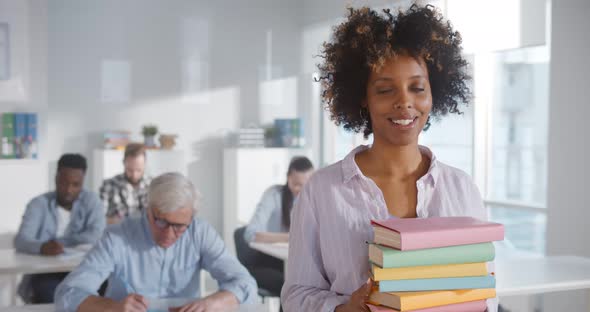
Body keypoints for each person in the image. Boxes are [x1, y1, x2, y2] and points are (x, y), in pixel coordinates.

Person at [281, 4, 498, 312]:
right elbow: (296, 297)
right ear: (362, 98)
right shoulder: (322, 191)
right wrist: (345, 310)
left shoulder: (461, 188)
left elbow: (486, 288)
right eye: (385, 90)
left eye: (417, 88)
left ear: (434, 94)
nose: (404, 103)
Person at [55, 172, 257, 312]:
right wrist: (112, 307)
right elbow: (68, 293)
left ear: (191, 217)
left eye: (179, 226)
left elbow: (246, 284)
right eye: (161, 221)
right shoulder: (117, 237)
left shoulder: (199, 232)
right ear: (148, 210)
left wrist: (214, 302)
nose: (169, 234)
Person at [14, 154, 105, 303]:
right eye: (63, 183)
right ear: (55, 179)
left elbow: (96, 234)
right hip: (45, 272)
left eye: (75, 184)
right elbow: (21, 240)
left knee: (102, 291)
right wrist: (42, 247)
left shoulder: (92, 201)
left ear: (82, 183)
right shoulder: (38, 204)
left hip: (82, 270)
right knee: (50, 295)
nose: (69, 190)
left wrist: (60, 242)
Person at [241, 156, 313, 297]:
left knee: (312, 284)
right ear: (288, 178)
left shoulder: (314, 199)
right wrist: (290, 238)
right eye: (296, 184)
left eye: (306, 184)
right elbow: (250, 234)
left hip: (295, 263)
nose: (301, 189)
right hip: (265, 262)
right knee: (291, 285)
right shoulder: (274, 195)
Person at [100, 143, 151, 225]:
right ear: (124, 163)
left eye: (139, 170)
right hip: (117, 235)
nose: (134, 175)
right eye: (130, 170)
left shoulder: (154, 186)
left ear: (145, 164)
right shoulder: (109, 185)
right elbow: (98, 219)